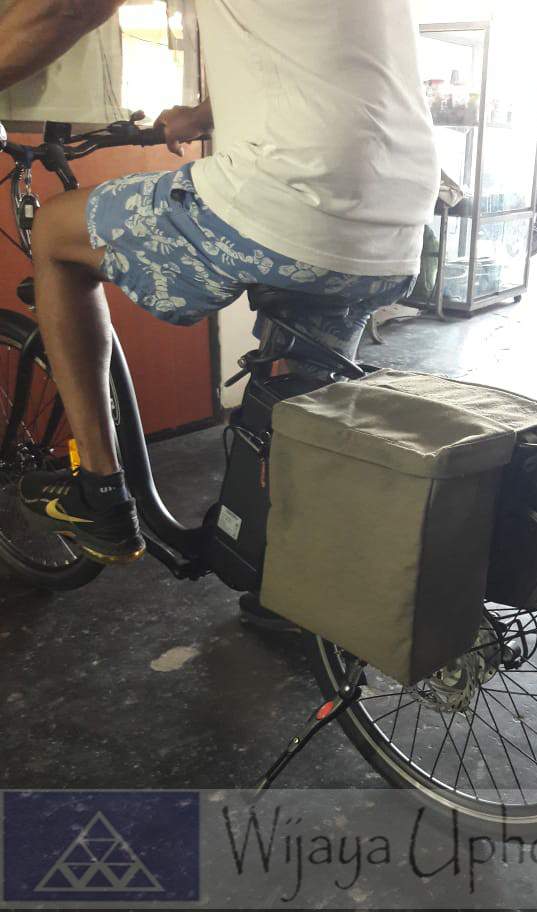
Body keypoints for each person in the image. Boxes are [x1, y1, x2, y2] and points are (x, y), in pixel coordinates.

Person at [0, 0, 440, 563]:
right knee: (299, 416)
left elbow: (66, 8)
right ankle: (287, 570)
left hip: (295, 192)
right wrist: (203, 112)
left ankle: (99, 492)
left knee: (56, 233)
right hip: (396, 215)